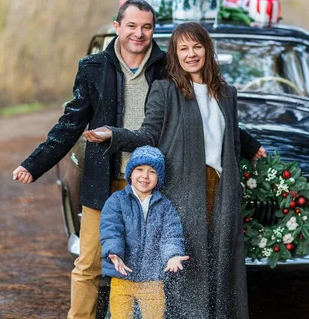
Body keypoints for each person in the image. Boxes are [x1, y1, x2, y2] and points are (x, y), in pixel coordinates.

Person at [84, 22, 266, 318]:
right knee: (184, 264)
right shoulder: (166, 90)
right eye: (183, 48)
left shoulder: (226, 93)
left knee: (220, 266)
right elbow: (148, 135)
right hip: (183, 192)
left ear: (207, 49)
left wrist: (252, 149)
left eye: (197, 46)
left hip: (221, 191)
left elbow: (230, 139)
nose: (191, 54)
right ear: (175, 54)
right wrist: (113, 135)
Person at [12, 0, 167, 319]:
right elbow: (71, 122)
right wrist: (34, 163)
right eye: (132, 26)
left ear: (153, 30)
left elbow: (203, 108)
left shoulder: (167, 67)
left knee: (153, 266)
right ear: (117, 27)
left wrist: (246, 145)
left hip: (154, 184)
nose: (139, 33)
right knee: (89, 262)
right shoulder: (93, 68)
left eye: (147, 27)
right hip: (103, 181)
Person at [100, 146, 188, 318]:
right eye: (139, 169)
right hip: (122, 275)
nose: (145, 176)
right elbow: (111, 229)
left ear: (159, 178)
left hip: (152, 279)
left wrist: (173, 255)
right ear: (130, 173)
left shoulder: (165, 206)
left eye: (152, 171)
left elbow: (171, 234)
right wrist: (114, 253)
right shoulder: (117, 201)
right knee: (120, 316)